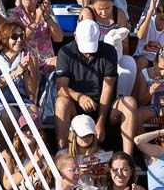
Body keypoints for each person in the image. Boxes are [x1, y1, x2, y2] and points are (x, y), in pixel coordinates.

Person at [55, 19, 136, 158]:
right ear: (75, 37)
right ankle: (63, 156)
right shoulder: (65, 52)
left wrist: (100, 122)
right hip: (75, 107)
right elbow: (61, 88)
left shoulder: (109, 51)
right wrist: (79, 97)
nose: (88, 53)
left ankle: (127, 158)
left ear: (99, 37)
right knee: (61, 103)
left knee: (130, 102)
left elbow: (107, 88)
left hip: (105, 105)